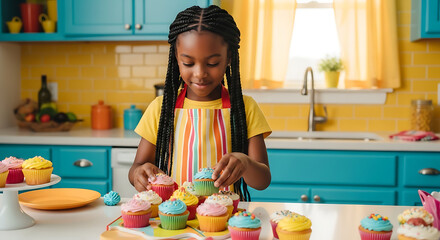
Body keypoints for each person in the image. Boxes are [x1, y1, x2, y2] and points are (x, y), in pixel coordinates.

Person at [129, 5, 271, 201]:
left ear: (229, 58)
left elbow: (262, 181)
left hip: (227, 220)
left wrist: (246, 162)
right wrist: (139, 173)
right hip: (177, 217)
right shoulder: (161, 108)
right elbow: (137, 167)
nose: (200, 73)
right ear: (176, 59)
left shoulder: (244, 108)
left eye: (212, 63)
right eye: (188, 63)